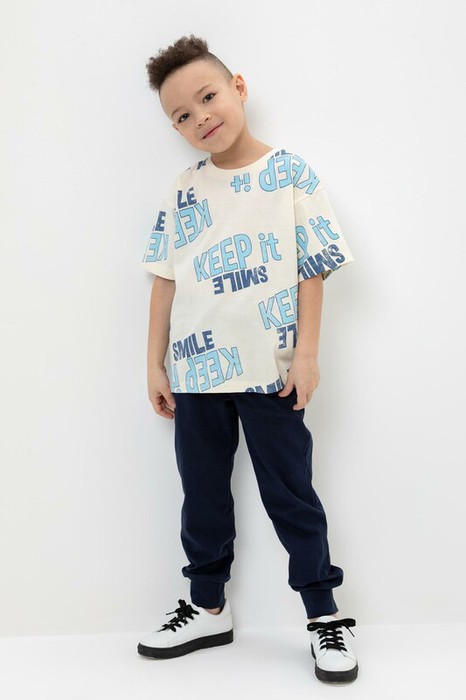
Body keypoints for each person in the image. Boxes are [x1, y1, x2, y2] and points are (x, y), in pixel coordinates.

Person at [137, 34, 359, 684]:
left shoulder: (288, 174)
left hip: (271, 373)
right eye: (182, 115)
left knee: (291, 496)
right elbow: (165, 279)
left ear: (237, 87)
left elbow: (313, 269)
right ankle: (207, 606)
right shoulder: (184, 190)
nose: (200, 117)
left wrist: (307, 355)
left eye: (207, 97)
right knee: (202, 495)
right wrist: (154, 364)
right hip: (196, 375)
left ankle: (324, 615)